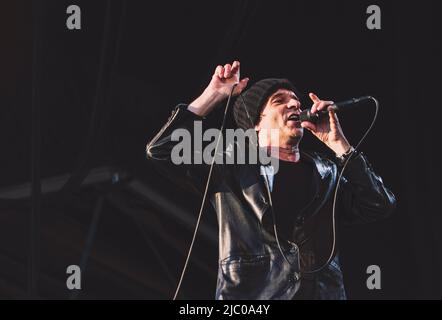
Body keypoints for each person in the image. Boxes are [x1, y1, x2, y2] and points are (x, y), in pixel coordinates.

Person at [146, 60, 396, 299]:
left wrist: (340, 146)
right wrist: (214, 94)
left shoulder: (326, 171)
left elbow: (379, 204)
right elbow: (161, 150)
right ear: (256, 123)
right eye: (280, 101)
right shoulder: (230, 166)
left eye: (297, 103)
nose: (294, 106)